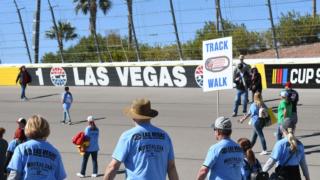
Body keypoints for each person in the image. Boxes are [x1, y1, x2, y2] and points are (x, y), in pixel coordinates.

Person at [104, 98, 179, 180]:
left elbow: (113, 167)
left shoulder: (128, 136)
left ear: (133, 117)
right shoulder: (164, 136)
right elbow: (171, 167)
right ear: (150, 116)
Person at [7, 115, 67, 180]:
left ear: (27, 129)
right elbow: (59, 177)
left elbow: (15, 174)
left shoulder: (21, 148)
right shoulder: (55, 152)